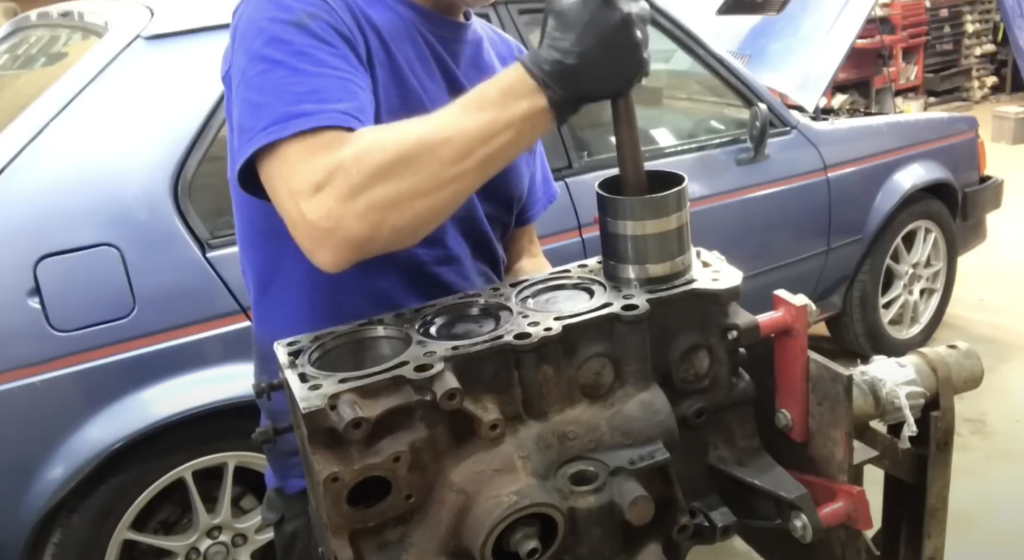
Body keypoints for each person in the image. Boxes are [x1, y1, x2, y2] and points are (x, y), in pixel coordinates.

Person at [222, 0, 651, 555]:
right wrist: (552, 80)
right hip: (360, 479)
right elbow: (333, 215)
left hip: (493, 451)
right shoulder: (296, 13)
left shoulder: (503, 58)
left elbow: (519, 253)